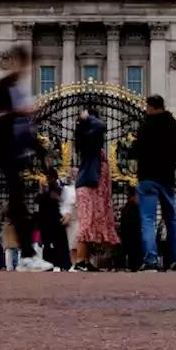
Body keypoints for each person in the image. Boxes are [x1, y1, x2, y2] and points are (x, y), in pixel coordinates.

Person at [0, 46, 53, 272]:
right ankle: (27, 254)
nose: (25, 69)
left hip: (16, 152)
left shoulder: (17, 89)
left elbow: (25, 130)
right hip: (5, 151)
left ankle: (27, 254)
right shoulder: (2, 87)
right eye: (22, 64)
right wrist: (20, 112)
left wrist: (42, 152)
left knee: (18, 205)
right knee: (18, 205)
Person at [134, 95, 176, 272]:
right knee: (172, 219)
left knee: (148, 220)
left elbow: (135, 152)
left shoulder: (145, 127)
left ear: (151, 107)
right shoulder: (173, 127)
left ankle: (150, 260)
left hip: (147, 177)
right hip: (166, 178)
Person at [73, 108, 119, 272]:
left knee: (91, 222)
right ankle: (80, 261)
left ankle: (85, 260)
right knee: (86, 222)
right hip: (88, 186)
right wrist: (89, 117)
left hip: (94, 188)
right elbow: (101, 125)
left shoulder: (92, 143)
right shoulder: (87, 139)